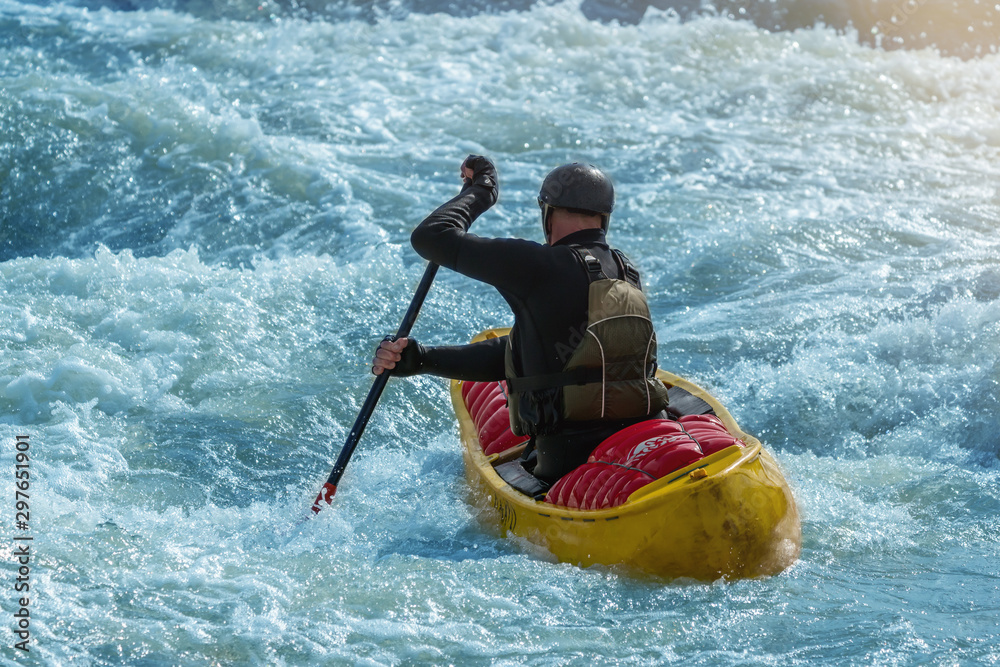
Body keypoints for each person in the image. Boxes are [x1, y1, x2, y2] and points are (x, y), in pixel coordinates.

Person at [372, 155, 670, 484]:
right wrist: (424, 358)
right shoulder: (625, 270)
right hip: (647, 436)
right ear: (604, 218)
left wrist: (483, 191)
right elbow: (540, 358)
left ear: (548, 213)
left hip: (568, 460)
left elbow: (431, 236)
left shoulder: (537, 265)